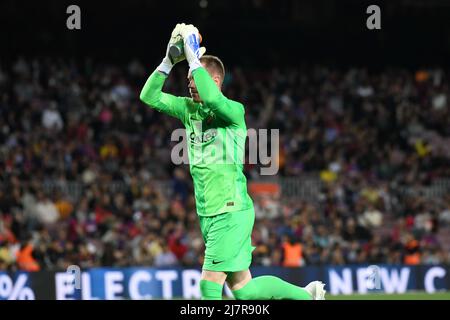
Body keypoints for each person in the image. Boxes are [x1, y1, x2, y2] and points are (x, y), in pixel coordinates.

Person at [139, 23, 326, 300]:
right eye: (189, 77)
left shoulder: (234, 111)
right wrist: (169, 61)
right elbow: (148, 96)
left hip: (230, 210)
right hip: (209, 213)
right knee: (245, 292)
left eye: (193, 77)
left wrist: (193, 59)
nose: (189, 82)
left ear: (214, 80)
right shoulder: (189, 110)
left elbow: (214, 99)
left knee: (209, 286)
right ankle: (307, 296)